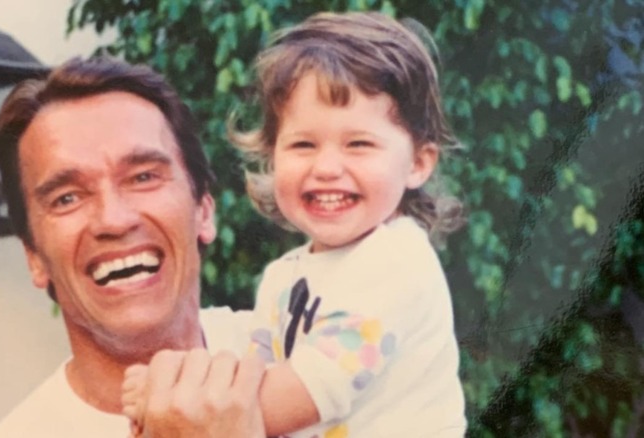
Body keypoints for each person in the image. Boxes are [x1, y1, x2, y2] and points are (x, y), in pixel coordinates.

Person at [122, 11, 467, 437]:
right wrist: (181, 388)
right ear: (272, 157)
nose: (326, 167)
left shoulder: (394, 262)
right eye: (303, 144)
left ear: (417, 163)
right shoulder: (285, 276)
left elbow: (293, 398)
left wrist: (173, 400)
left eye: (358, 144)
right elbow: (256, 380)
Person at [0, 56, 266, 437]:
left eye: (143, 177)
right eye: (67, 198)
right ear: (34, 257)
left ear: (203, 210)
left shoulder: (309, 361)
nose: (114, 220)